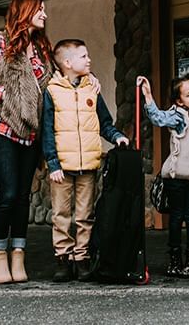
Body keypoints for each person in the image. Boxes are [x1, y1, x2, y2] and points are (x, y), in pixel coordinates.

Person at [0, 0, 54, 284]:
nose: (45, 14)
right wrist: (7, 95)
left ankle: (19, 253)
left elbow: (52, 84)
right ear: (25, 12)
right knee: (7, 194)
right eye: (40, 10)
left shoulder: (42, 49)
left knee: (22, 196)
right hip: (2, 126)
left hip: (31, 130)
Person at [42, 39, 129, 282]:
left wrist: (117, 136)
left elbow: (104, 122)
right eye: (83, 56)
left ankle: (81, 259)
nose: (89, 60)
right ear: (67, 63)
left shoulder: (92, 88)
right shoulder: (52, 91)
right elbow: (47, 130)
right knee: (61, 214)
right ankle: (63, 258)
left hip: (88, 165)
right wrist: (52, 163)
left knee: (85, 214)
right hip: (62, 167)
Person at [137, 74, 189, 278]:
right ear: (179, 100)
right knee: (177, 217)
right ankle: (175, 257)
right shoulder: (178, 115)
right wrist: (149, 97)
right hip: (177, 177)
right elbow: (158, 118)